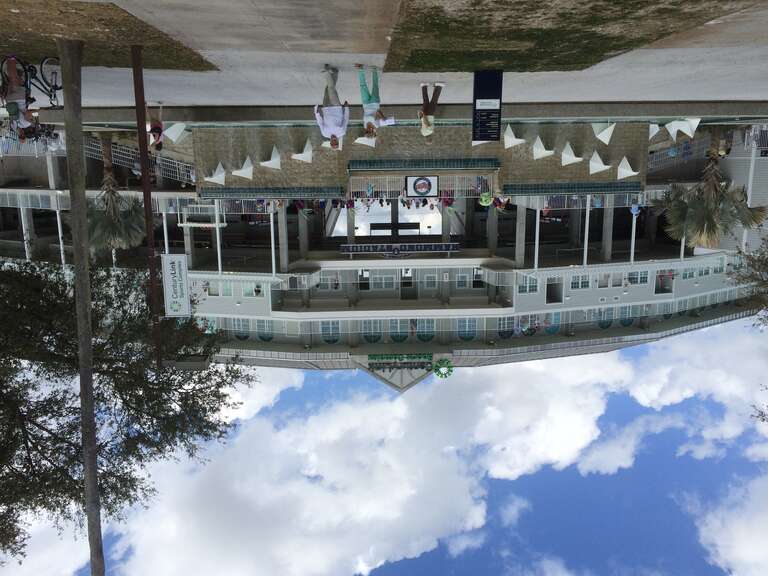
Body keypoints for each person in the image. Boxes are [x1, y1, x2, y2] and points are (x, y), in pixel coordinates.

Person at [355, 64, 394, 139]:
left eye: (366, 132)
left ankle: (360, 69)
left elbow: (364, 114)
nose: (367, 130)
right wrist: (383, 117)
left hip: (365, 104)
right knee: (375, 86)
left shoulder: (364, 125)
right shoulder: (376, 124)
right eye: (369, 132)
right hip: (374, 103)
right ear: (373, 131)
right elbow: (377, 112)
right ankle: (374, 71)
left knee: (363, 86)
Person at [1, 57, 36, 141]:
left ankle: (11, 60)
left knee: (14, 78)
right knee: (14, 81)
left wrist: (37, 112)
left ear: (30, 129)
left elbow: (27, 113)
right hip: (9, 100)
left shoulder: (27, 123)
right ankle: (13, 66)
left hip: (19, 98)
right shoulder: (16, 126)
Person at [314, 65, 349, 149]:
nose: (334, 141)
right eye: (335, 142)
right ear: (337, 141)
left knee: (327, 89)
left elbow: (320, 122)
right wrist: (346, 108)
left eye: (332, 143)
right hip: (336, 107)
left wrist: (317, 113)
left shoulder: (325, 133)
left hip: (326, 108)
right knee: (331, 89)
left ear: (330, 142)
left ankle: (335, 73)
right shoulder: (342, 132)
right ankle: (327, 72)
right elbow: (345, 119)